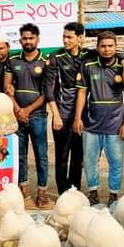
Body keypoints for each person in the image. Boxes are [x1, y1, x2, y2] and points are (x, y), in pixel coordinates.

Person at [74, 30, 124, 205]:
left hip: (115, 125)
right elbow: (82, 92)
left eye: (110, 46)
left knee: (116, 162)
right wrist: (78, 118)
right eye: (103, 46)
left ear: (115, 47)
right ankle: (93, 192)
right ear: (97, 47)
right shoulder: (88, 65)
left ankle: (114, 194)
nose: (107, 49)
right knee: (90, 161)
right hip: (91, 125)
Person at [4, 23, 49, 207]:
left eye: (31, 38)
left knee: (41, 155)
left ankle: (42, 192)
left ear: (37, 39)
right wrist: (17, 110)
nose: (27, 41)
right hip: (16, 117)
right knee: (20, 155)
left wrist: (27, 110)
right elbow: (6, 88)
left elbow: (47, 93)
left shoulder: (46, 62)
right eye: (24, 38)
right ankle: (23, 190)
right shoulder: (13, 61)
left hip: (37, 116)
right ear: (20, 40)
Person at [45, 22, 86, 195]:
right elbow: (48, 87)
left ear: (80, 38)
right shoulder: (55, 57)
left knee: (78, 156)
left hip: (82, 116)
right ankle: (63, 192)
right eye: (64, 37)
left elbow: (121, 55)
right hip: (61, 114)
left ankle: (74, 191)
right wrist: (56, 114)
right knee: (62, 156)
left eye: (69, 37)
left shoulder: (89, 56)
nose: (66, 40)